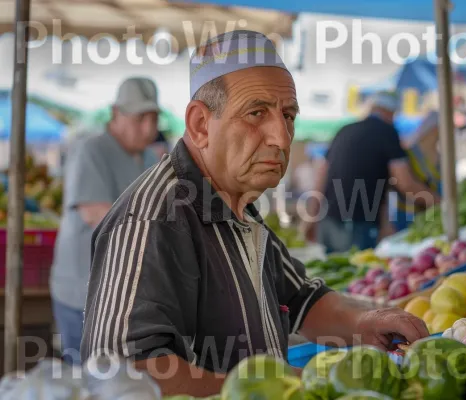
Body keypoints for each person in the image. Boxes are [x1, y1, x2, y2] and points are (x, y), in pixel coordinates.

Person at [80, 31, 429, 397]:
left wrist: (366, 322)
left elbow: (302, 300)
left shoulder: (238, 205)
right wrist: (280, 386)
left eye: (288, 115)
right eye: (256, 113)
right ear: (200, 124)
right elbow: (124, 372)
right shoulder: (153, 219)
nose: (281, 136)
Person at [50, 77, 160, 365]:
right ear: (116, 114)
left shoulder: (149, 159)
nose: (148, 128)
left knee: (119, 380)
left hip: (123, 299)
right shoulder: (91, 151)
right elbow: (96, 213)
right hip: (81, 293)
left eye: (153, 118)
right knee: (86, 377)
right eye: (140, 119)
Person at [304, 92, 440, 253]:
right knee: (355, 273)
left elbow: (321, 178)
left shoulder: (344, 130)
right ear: (389, 112)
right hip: (358, 224)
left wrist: (310, 219)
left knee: (332, 273)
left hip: (327, 221)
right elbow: (405, 183)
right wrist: (441, 203)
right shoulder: (387, 133)